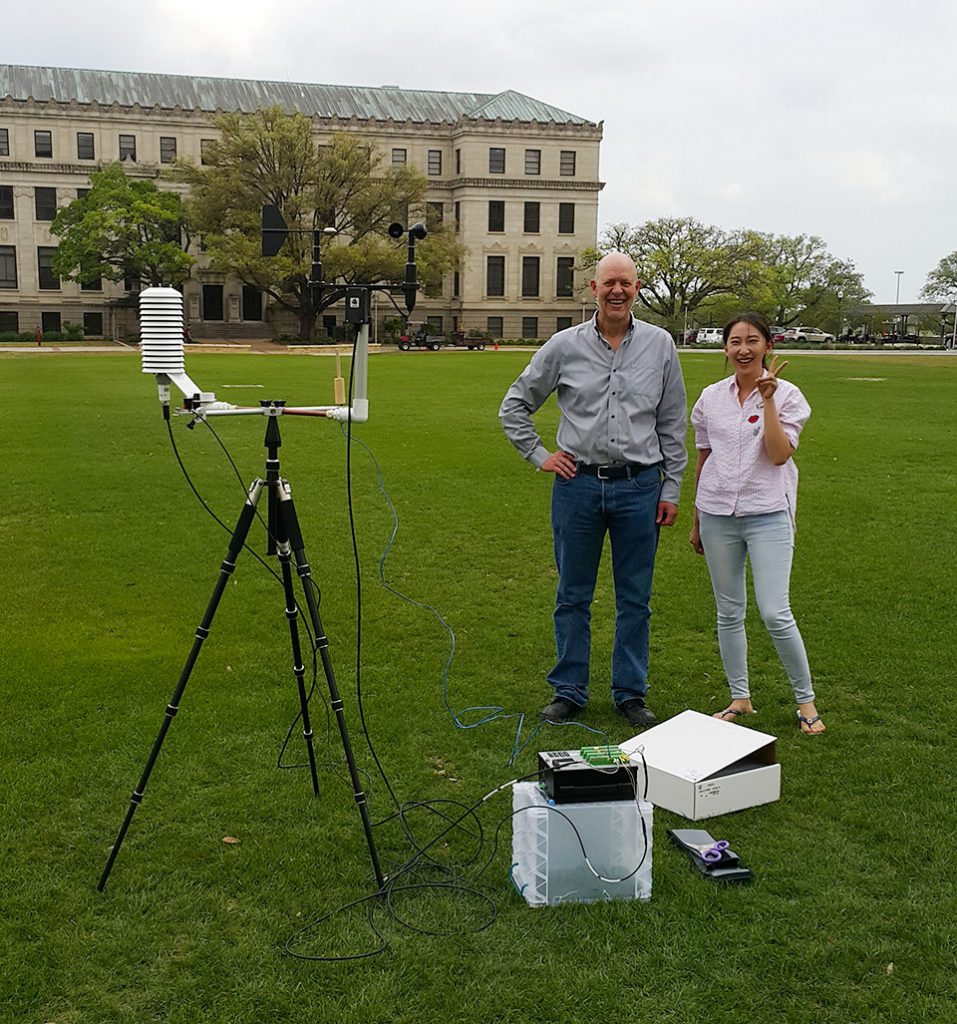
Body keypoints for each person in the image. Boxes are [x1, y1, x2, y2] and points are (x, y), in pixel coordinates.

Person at [499, 252, 687, 728]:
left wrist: (672, 488)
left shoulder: (661, 345)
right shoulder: (564, 346)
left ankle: (630, 692)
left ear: (637, 287)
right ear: (593, 288)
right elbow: (515, 405)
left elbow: (671, 423)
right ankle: (569, 689)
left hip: (640, 487)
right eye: (609, 283)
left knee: (635, 598)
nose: (617, 291)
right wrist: (540, 454)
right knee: (573, 594)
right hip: (577, 486)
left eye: (625, 283)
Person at [689, 312, 825, 735]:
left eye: (752, 340)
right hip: (717, 514)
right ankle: (739, 697)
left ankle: (806, 702)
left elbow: (780, 453)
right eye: (734, 342)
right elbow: (704, 457)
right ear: (725, 349)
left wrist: (767, 399)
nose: (743, 349)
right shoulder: (711, 397)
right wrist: (697, 518)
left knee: (774, 611)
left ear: (768, 345)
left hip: (767, 512)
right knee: (728, 611)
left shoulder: (788, 395)